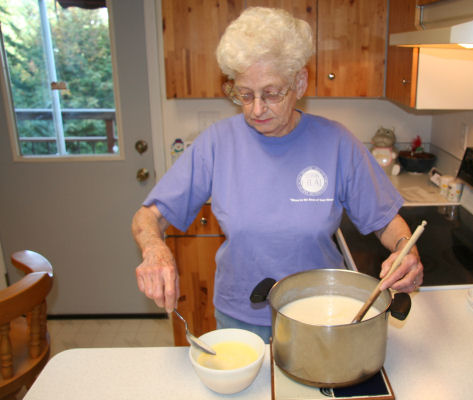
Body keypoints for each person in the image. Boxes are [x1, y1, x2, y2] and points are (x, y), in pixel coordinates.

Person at [131, 7, 423, 343]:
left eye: (271, 93)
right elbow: (147, 217)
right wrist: (154, 249)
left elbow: (386, 221)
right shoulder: (217, 143)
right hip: (240, 316)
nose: (256, 109)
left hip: (320, 314)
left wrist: (406, 251)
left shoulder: (337, 142)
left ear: (300, 82)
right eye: (244, 94)